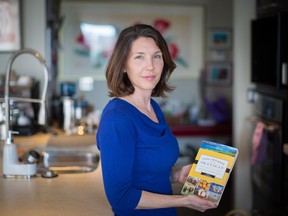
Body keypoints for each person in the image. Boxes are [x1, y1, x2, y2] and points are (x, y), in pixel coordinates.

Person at [96, 24, 217, 216]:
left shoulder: (153, 108)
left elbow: (145, 172)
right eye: (139, 57)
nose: (150, 66)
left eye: (156, 56)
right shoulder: (117, 119)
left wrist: (177, 174)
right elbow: (120, 197)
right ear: (124, 66)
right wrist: (184, 200)